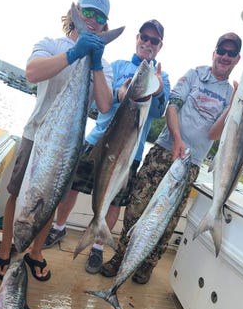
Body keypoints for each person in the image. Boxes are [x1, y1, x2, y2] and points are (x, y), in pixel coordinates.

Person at [0, 0, 113, 281]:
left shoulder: (103, 64)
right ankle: (6, 249)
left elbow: (106, 105)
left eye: (100, 17)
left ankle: (36, 252)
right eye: (88, 12)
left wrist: (94, 63)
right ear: (76, 14)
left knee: (53, 197)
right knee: (17, 193)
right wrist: (75, 54)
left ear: (105, 24)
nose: (93, 20)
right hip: (37, 135)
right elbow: (32, 73)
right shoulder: (52, 43)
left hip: (69, 144)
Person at [101, 32, 242, 284]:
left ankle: (147, 264)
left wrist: (232, 109)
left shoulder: (231, 94)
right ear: (214, 52)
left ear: (237, 59)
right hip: (164, 150)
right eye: (222, 50)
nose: (225, 56)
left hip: (191, 163)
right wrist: (177, 139)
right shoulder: (193, 75)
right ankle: (121, 255)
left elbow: (214, 133)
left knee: (167, 219)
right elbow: (173, 105)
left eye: (231, 53)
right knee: (136, 206)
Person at [44, 19, 170, 274]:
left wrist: (156, 91)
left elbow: (157, 112)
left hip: (129, 151)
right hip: (97, 141)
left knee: (114, 203)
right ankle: (59, 227)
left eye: (153, 40)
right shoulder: (118, 66)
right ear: (137, 38)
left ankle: (98, 246)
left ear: (160, 46)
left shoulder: (161, 77)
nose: (147, 43)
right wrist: (118, 94)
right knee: (73, 187)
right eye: (144, 37)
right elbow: (102, 97)